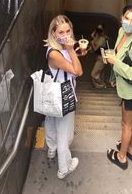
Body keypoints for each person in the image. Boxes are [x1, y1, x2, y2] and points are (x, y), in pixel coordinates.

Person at [105, 5, 132, 170]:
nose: (129, 23)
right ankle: (130, 148)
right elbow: (120, 57)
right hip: (127, 89)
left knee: (126, 125)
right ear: (121, 17)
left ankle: (121, 157)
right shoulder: (121, 32)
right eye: (127, 18)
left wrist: (114, 63)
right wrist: (113, 76)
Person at [43, 15, 83, 179]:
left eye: (68, 31)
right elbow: (78, 72)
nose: (66, 35)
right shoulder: (54, 54)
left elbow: (71, 62)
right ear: (53, 33)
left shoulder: (60, 47)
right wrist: (72, 50)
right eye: (61, 32)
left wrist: (74, 51)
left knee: (51, 122)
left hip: (52, 94)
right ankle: (64, 168)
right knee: (64, 134)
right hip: (63, 96)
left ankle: (51, 149)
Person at [90, 24, 109, 89]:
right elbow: (92, 36)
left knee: (94, 74)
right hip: (99, 56)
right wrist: (95, 32)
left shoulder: (102, 38)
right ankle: (100, 86)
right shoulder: (98, 37)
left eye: (99, 30)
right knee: (100, 72)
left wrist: (92, 43)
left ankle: (102, 84)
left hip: (102, 57)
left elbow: (95, 48)